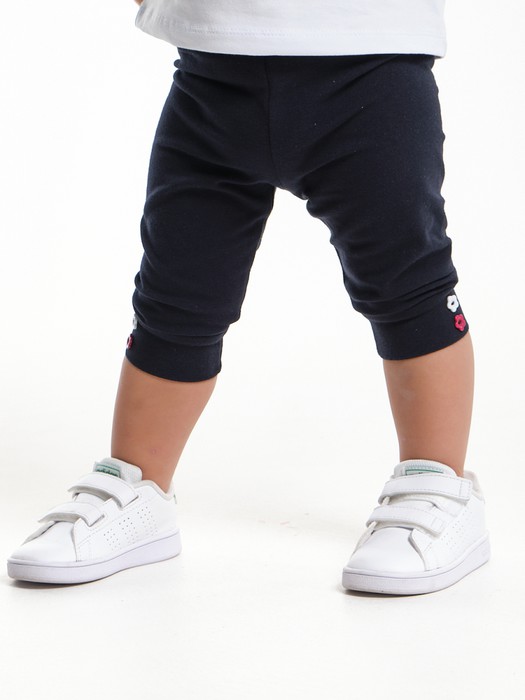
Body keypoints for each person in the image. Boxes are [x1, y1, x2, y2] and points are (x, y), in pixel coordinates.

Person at [7, 0, 490, 594]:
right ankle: (139, 486)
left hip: (369, 66)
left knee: (408, 286)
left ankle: (438, 484)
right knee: (176, 294)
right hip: (211, 72)